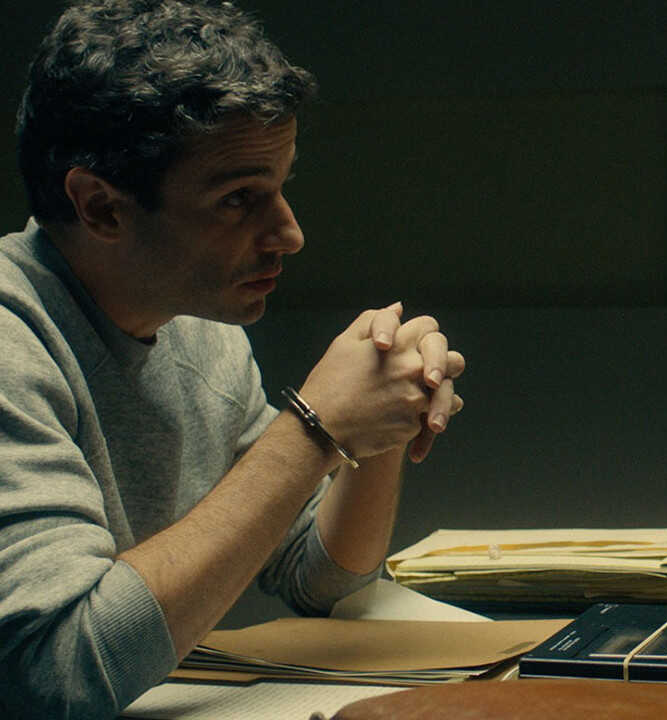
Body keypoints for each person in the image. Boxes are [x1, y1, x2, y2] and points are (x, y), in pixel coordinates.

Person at [0, 1, 465, 717]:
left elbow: (319, 580)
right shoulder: (11, 343)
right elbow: (57, 675)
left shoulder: (199, 332)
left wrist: (377, 423)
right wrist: (313, 429)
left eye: (280, 187)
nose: (289, 233)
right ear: (100, 207)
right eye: (238, 199)